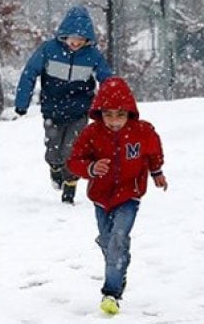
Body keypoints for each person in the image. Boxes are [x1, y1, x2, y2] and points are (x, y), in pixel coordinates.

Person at [67, 76, 167, 315]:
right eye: (108, 115)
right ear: (99, 113)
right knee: (107, 240)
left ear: (130, 113)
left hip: (129, 194)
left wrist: (157, 172)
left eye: (120, 115)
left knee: (118, 237)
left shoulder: (142, 131)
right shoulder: (92, 133)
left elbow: (153, 151)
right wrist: (90, 168)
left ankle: (111, 292)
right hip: (101, 197)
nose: (114, 121)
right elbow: (74, 161)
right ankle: (119, 264)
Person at [14, 5, 112, 204]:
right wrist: (22, 102)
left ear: (88, 39)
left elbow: (107, 80)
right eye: (72, 38)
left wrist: (111, 105)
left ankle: (70, 185)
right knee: (53, 149)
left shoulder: (92, 56)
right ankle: (55, 168)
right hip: (52, 109)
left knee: (73, 150)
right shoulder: (49, 50)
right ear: (64, 35)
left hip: (79, 111)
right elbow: (29, 73)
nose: (76, 42)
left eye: (81, 39)